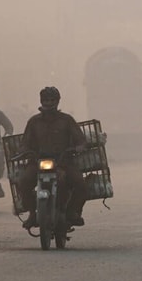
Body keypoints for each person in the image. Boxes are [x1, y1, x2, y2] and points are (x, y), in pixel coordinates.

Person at [17, 87, 88, 229]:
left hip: (63, 162)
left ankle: (72, 211)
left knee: (81, 184)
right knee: (23, 182)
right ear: (41, 101)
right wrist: (25, 151)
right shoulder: (34, 122)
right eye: (46, 100)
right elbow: (25, 143)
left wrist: (78, 147)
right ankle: (32, 213)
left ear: (57, 101)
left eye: (52, 100)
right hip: (38, 162)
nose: (49, 103)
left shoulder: (67, 120)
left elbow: (81, 140)